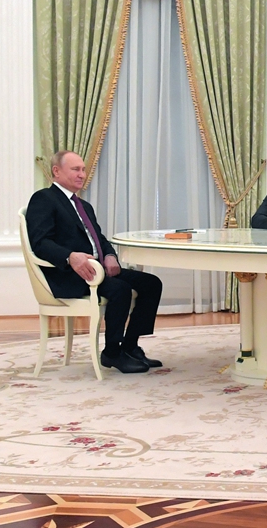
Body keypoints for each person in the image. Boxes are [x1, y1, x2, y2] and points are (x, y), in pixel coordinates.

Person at [25, 150, 164, 374]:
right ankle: (112, 352)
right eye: (75, 169)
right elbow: (40, 243)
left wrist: (110, 255)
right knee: (121, 289)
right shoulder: (44, 199)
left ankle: (130, 346)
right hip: (71, 273)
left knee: (151, 283)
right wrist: (70, 256)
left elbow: (98, 239)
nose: (82, 174)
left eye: (83, 169)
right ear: (56, 171)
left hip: (97, 268)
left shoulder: (83, 206)